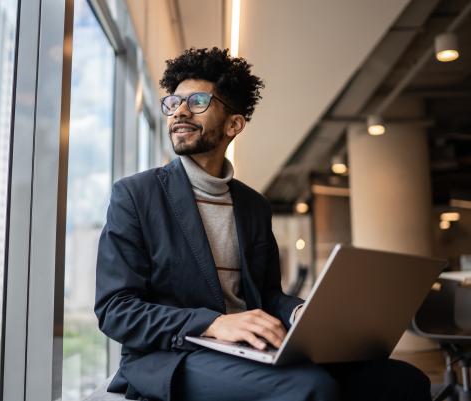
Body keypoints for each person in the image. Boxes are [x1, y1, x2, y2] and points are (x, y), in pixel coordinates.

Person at [94, 47, 431, 401]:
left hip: (248, 348)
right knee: (311, 388)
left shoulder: (253, 205)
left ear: (233, 124)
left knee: (404, 380)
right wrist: (212, 323)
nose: (179, 111)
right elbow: (116, 309)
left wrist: (303, 312)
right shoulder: (136, 195)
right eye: (173, 102)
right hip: (173, 356)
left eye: (196, 102)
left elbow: (266, 295)